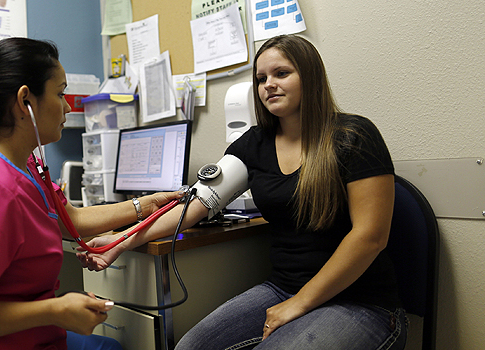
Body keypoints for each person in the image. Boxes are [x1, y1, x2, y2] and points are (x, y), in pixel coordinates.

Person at [78, 34, 407, 350]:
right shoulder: (254, 144)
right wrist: (120, 241)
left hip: (360, 302)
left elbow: (370, 237)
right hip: (284, 289)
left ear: (310, 77)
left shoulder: (354, 136)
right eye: (261, 78)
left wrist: (299, 304)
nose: (269, 85)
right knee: (190, 346)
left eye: (281, 73)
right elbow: (191, 208)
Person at [0, 37, 182, 350]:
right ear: (26, 100)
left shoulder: (22, 163)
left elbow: (71, 219)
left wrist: (145, 204)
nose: (68, 106)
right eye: (60, 93)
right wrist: (53, 310)